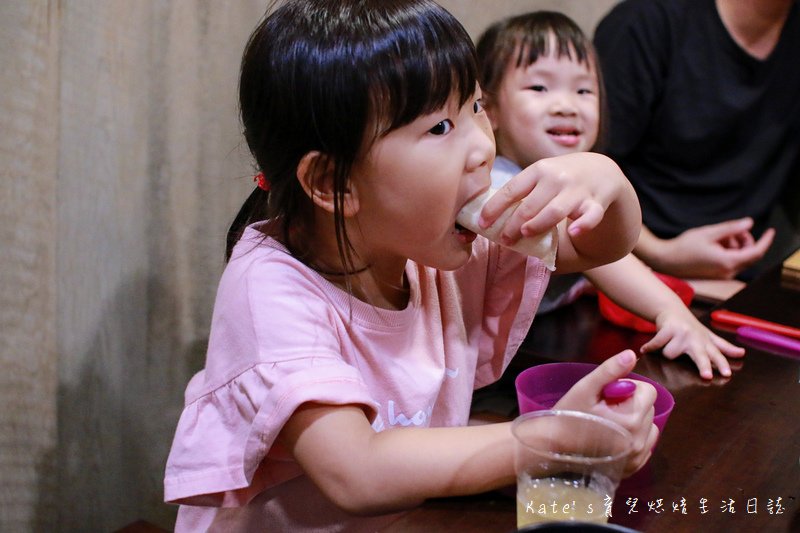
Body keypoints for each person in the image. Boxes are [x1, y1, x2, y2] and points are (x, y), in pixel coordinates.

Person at [163, 1, 658, 530]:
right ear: (334, 183)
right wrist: (549, 437)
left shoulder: (429, 237)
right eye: (441, 127)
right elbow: (358, 472)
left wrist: (611, 184)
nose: (481, 149)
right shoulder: (270, 291)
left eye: (475, 106)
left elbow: (595, 247)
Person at [476, 11, 745, 381]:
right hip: (483, 363)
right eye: (539, 88)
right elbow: (589, 245)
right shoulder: (499, 183)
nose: (567, 104)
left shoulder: (579, 183)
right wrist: (673, 314)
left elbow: (612, 263)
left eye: (584, 90)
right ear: (488, 109)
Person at [593, 0, 800, 280]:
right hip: (624, 268)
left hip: (743, 275)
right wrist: (662, 253)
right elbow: (589, 179)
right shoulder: (645, 23)